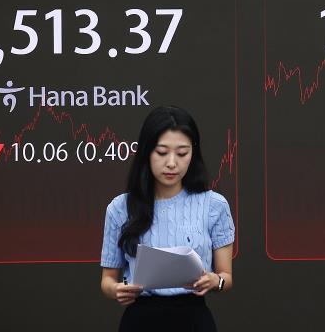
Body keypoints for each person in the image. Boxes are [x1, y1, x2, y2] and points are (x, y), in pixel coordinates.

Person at [100, 106, 235, 332]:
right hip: (140, 320)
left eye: (182, 153)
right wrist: (117, 290)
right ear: (146, 152)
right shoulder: (120, 208)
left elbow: (226, 277)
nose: (172, 163)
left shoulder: (214, 205)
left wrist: (215, 281)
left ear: (193, 153)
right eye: (162, 152)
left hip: (193, 319)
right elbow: (107, 280)